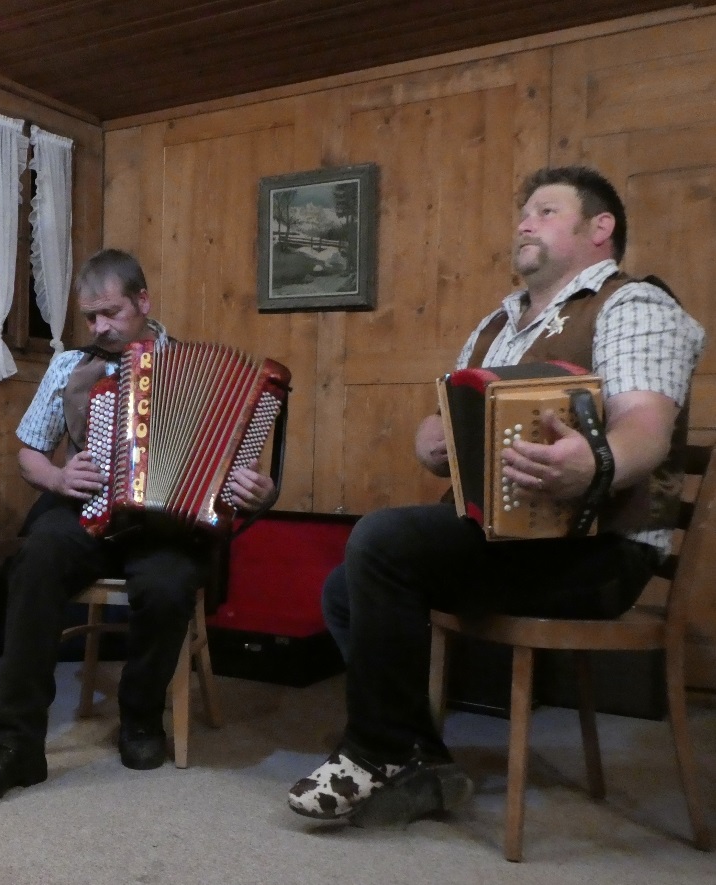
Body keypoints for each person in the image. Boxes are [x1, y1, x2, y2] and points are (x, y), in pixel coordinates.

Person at [289, 166, 705, 826]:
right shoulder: (497, 323)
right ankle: (420, 760)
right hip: (508, 539)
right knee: (344, 589)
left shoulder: (635, 306)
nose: (524, 223)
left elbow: (645, 429)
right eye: (523, 213)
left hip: (601, 551)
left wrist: (594, 462)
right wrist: (432, 438)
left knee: (383, 540)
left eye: (545, 211)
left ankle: (375, 752)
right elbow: (452, 419)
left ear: (600, 228)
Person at [0, 248, 278, 807]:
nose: (99, 327)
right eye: (90, 317)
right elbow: (29, 452)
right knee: (36, 559)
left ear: (143, 301)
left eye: (111, 313)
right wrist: (56, 476)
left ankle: (141, 715)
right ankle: (13, 744)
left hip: (168, 526)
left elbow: (238, 472)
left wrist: (259, 492)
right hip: (86, 514)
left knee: (169, 585)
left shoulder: (198, 368)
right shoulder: (69, 366)